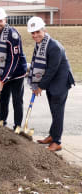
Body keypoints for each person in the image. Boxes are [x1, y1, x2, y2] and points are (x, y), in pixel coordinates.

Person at [26, 17, 75, 152]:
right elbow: (37, 65)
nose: (35, 35)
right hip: (52, 81)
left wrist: (40, 86)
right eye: (32, 33)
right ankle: (52, 135)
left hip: (60, 82)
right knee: (54, 111)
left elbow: (51, 70)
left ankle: (57, 142)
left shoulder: (54, 47)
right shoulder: (41, 44)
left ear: (44, 30)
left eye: (37, 32)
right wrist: (34, 83)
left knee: (58, 112)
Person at [0, 7, 27, 129]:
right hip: (3, 71)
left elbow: (13, 60)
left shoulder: (13, 35)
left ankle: (18, 126)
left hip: (17, 72)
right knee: (3, 98)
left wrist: (2, 80)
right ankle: (2, 123)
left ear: (5, 19)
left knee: (17, 100)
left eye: (0, 21)